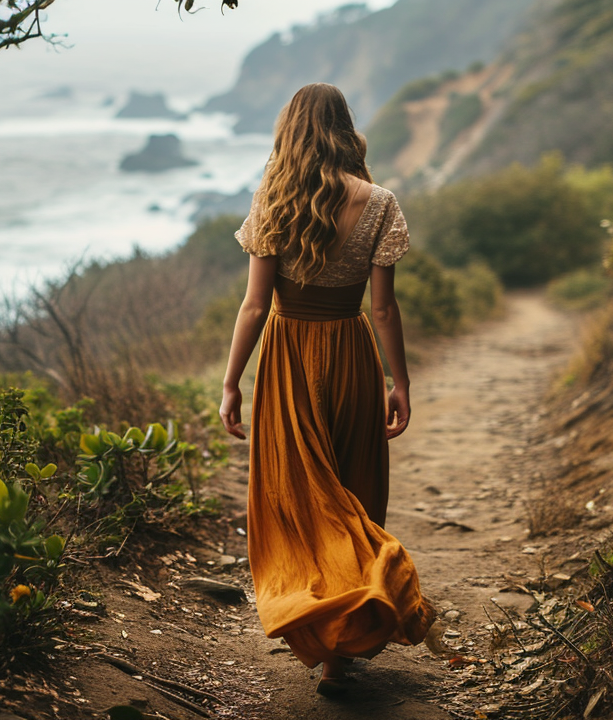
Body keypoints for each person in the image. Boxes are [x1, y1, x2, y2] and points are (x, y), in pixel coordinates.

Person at [217, 82, 434, 698]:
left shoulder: (275, 200)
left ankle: (327, 629)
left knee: (301, 499)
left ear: (290, 131)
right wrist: (400, 381)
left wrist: (233, 381)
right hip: (351, 354)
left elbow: (256, 305)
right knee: (352, 491)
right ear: (345, 128)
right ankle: (348, 639)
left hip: (288, 360)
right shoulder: (381, 202)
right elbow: (384, 310)